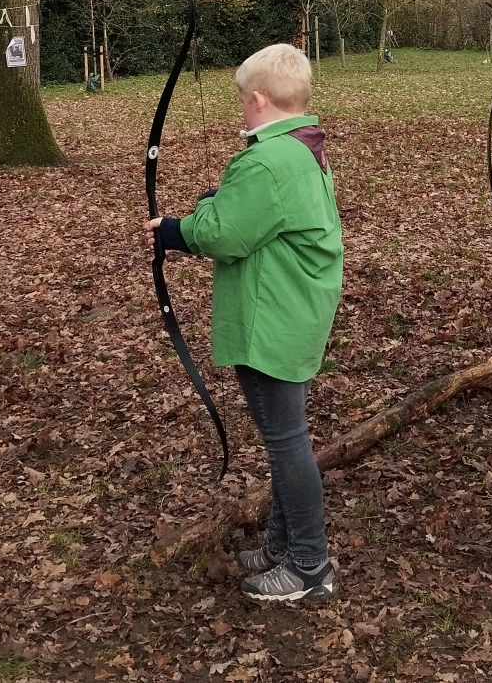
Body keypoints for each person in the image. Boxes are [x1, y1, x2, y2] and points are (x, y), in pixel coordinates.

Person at [145, 43, 344, 602]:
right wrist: (218, 201)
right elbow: (249, 213)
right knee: (283, 438)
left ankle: (309, 564)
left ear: (257, 99)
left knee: (286, 442)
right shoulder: (301, 149)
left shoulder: (266, 161)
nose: (239, 108)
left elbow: (221, 233)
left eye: (241, 99)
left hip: (274, 319)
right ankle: (284, 541)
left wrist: (174, 229)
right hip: (290, 311)